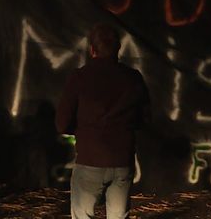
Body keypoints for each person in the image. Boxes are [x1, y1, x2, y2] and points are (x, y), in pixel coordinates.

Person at [56, 24, 150, 219]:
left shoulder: (80, 77)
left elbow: (62, 123)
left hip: (90, 160)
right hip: (122, 161)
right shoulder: (133, 78)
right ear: (118, 49)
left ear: (92, 50)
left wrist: (84, 131)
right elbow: (145, 119)